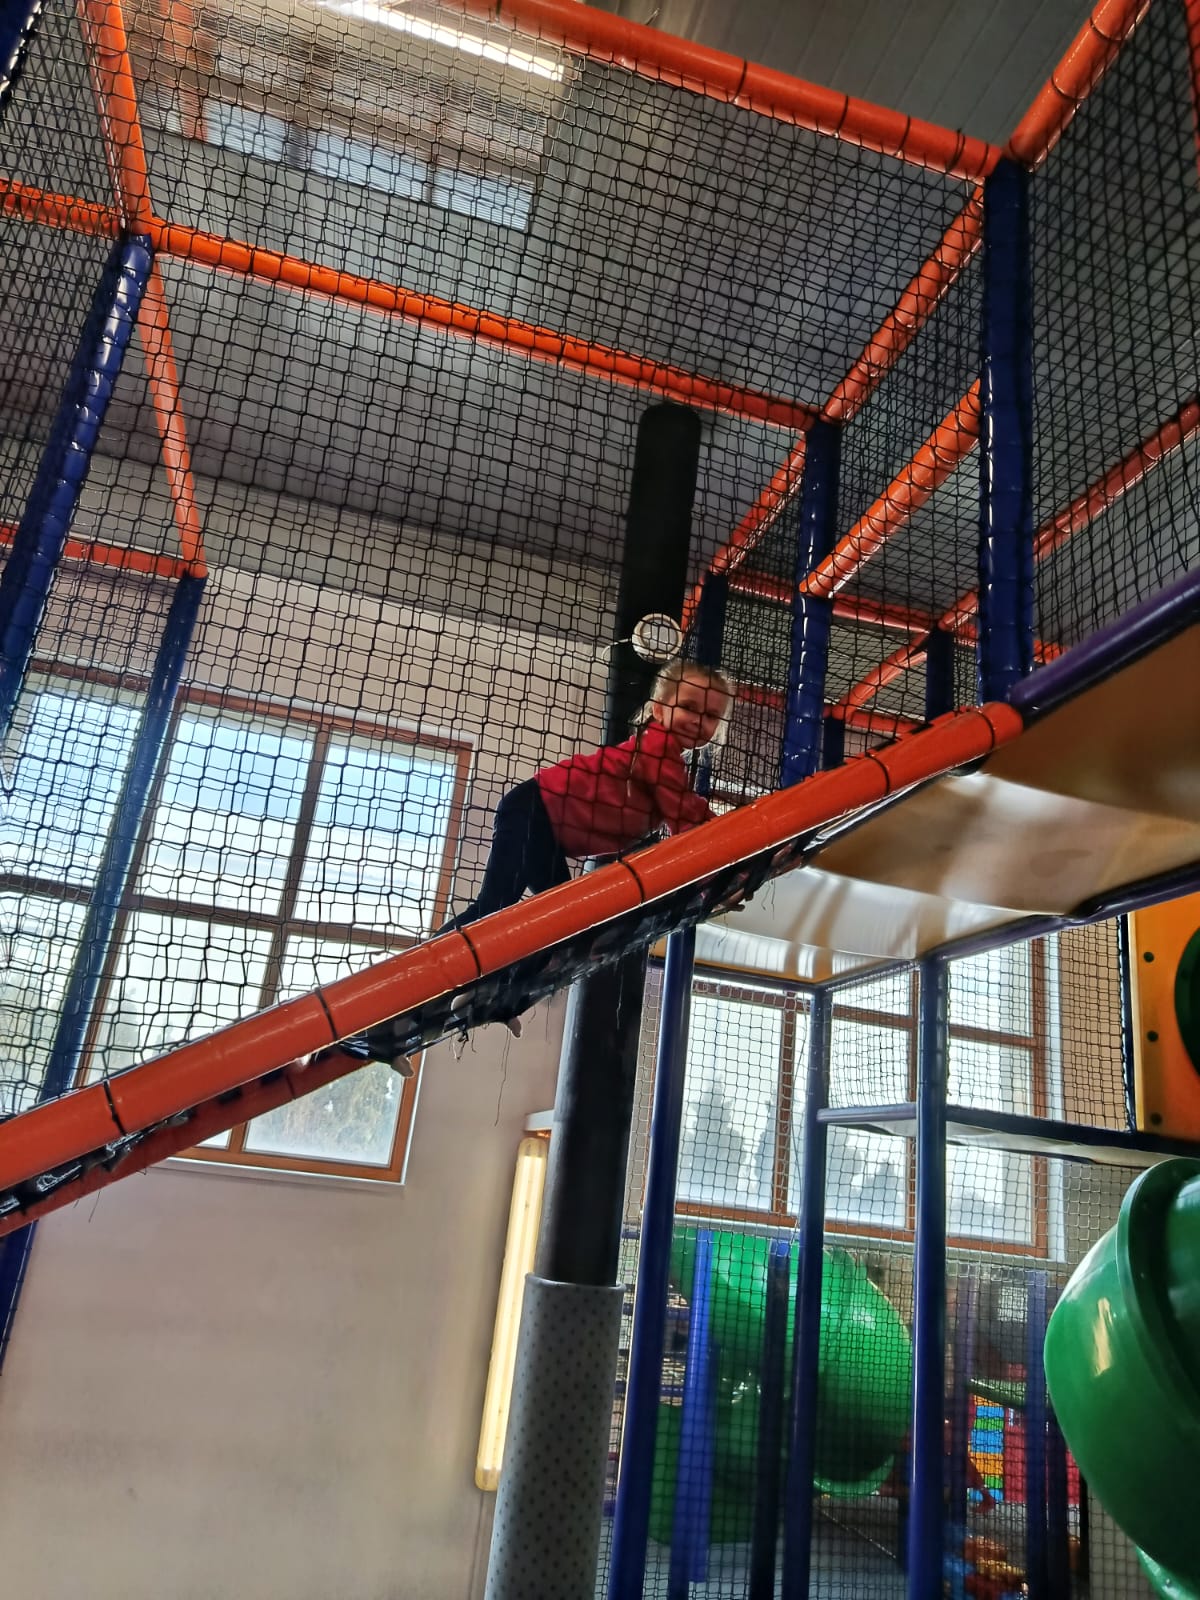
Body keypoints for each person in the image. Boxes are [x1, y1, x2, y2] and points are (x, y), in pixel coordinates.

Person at [444, 658, 735, 933]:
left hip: (544, 827)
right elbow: (685, 821)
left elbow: (691, 811)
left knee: (552, 919)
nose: (698, 720)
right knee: (508, 911)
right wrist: (720, 876)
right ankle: (427, 961)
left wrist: (728, 843)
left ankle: (490, 968)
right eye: (688, 707)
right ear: (659, 710)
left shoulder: (666, 756)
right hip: (534, 811)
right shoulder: (658, 749)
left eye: (710, 715)